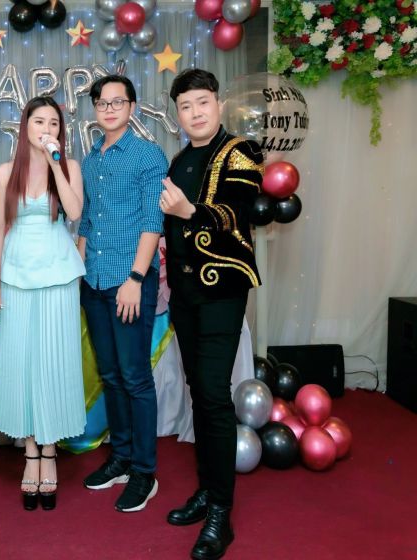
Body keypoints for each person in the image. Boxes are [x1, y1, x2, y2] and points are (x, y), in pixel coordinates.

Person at [161, 68, 264, 560]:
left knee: (214, 395)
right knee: (198, 392)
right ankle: (207, 488)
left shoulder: (240, 152)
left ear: (218, 105)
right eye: (185, 106)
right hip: (184, 295)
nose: (195, 113)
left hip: (222, 291)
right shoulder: (180, 159)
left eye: (202, 102)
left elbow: (236, 211)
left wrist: (190, 213)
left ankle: (221, 511)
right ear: (178, 115)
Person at [0, 96, 87, 512]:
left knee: (53, 361)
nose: (46, 128)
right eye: (39, 121)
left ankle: (50, 452)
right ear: (25, 126)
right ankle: (30, 452)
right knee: (23, 363)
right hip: (14, 276)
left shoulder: (70, 166)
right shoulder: (4, 172)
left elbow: (75, 212)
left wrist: (56, 163)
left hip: (58, 274)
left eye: (53, 123)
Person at [77, 75, 168, 513]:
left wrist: (135, 278)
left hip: (128, 282)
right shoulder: (90, 158)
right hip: (93, 281)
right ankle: (122, 457)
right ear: (95, 109)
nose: (109, 109)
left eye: (118, 102)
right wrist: (77, 274)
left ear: (132, 107)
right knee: (111, 375)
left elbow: (153, 221)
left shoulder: (148, 154)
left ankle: (145, 471)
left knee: (135, 377)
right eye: (102, 103)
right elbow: (87, 221)